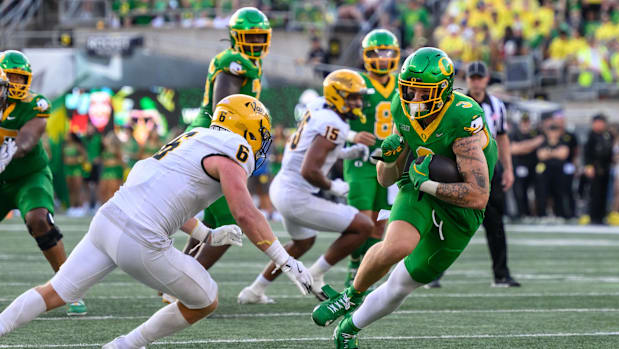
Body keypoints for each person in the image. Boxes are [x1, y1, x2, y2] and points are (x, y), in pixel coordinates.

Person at [0, 95, 314, 348]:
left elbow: (165, 194)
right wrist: (284, 259)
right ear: (245, 128)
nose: (259, 142)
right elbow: (246, 212)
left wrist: (206, 234)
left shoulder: (195, 136)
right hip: (140, 240)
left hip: (108, 220)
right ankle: (127, 344)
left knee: (54, 291)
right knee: (206, 299)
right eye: (259, 133)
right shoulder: (235, 148)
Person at [311, 48, 497, 348]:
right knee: (396, 246)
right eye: (408, 89)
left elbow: (477, 195)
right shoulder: (401, 108)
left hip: (461, 209)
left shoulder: (464, 117)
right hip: (418, 183)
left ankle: (348, 329)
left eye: (422, 91)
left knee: (400, 286)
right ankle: (350, 295)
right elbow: (386, 178)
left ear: (442, 91)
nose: (413, 97)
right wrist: (389, 158)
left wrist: (429, 185)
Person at [238, 69, 375, 304]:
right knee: (363, 226)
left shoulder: (319, 106)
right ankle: (316, 273)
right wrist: (333, 187)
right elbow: (310, 170)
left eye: (359, 97)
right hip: (296, 193)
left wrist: (346, 152)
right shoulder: (333, 124)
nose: (358, 103)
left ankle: (255, 290)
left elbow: (314, 150)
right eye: (352, 97)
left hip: (283, 186)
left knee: (302, 243)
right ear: (337, 96)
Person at [178, 7, 272, 283]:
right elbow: (224, 111)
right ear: (236, 37)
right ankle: (184, 284)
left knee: (212, 221)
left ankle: (174, 281)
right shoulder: (233, 61)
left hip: (215, 141)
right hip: (212, 139)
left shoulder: (251, 62)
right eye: (250, 38)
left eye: (259, 38)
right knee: (232, 224)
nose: (256, 43)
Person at [0, 51, 87, 316]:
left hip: (29, 175)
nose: (15, 83)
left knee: (39, 219)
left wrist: (10, 152)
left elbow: (29, 138)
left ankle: (69, 286)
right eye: (10, 78)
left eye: (20, 78)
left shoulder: (35, 103)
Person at [427, 61, 519, 288]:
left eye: (480, 78)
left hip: (491, 169)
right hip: (460, 168)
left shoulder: (497, 105)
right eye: (472, 78)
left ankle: (501, 274)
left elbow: (503, 138)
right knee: (447, 220)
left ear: (487, 79)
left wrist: (508, 168)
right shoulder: (456, 103)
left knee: (495, 223)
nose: (476, 82)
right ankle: (433, 271)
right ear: (466, 80)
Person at [342, 29, 400, 288]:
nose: (382, 58)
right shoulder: (356, 82)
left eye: (387, 52)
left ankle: (368, 274)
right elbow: (336, 114)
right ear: (365, 56)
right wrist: (353, 134)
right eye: (376, 52)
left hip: (388, 162)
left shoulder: (403, 83)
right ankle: (354, 267)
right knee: (362, 221)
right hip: (360, 161)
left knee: (379, 225)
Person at [510, 113, 544, 218]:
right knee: (520, 191)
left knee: (538, 191)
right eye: (523, 121)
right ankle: (522, 213)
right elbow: (514, 149)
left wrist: (523, 147)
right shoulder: (514, 134)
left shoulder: (534, 133)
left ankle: (537, 213)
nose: (525, 124)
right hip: (519, 165)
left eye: (527, 121)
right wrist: (532, 144)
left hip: (534, 166)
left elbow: (542, 142)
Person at [584, 114, 614, 224]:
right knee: (594, 194)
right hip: (594, 168)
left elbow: (609, 152)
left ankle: (602, 217)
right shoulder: (591, 135)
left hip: (606, 168)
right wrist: (588, 166)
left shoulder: (608, 135)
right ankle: (594, 217)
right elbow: (587, 153)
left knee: (604, 194)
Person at [62, 132, 88, 217]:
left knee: (78, 188)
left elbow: (84, 156)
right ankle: (72, 207)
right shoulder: (65, 146)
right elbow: (64, 157)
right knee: (71, 189)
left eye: (68, 136)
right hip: (68, 170)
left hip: (76, 169)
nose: (66, 137)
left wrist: (76, 160)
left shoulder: (77, 146)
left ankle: (80, 207)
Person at [98, 131, 125, 204]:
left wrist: (113, 163)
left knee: (112, 191)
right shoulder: (104, 149)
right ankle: (104, 206)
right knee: (103, 190)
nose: (105, 139)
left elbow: (122, 162)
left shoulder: (117, 150)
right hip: (106, 171)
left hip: (115, 171)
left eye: (107, 138)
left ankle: (111, 208)